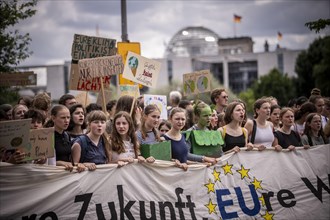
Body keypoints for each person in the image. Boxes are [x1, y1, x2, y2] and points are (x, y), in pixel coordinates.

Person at [48, 105, 73, 171]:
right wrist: (60, 163)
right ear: (53, 118)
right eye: (63, 118)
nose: (66, 120)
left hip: (66, 173)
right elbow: (45, 162)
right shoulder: (47, 135)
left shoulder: (67, 135)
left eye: (68, 117)